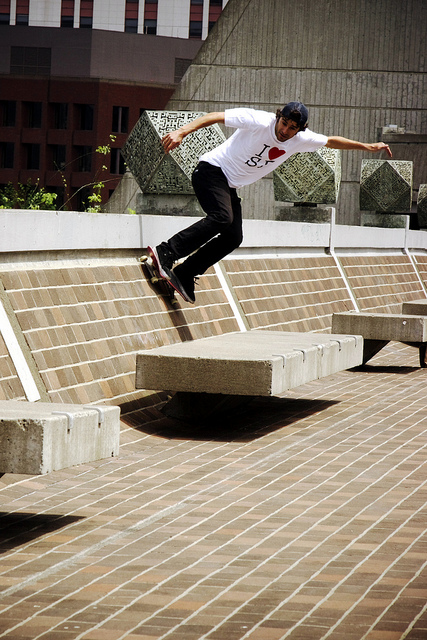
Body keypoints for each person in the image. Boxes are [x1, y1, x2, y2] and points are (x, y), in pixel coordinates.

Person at [149, 102, 392, 303]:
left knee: (233, 237)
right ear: (278, 117)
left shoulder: (301, 139)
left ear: (300, 130)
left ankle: (185, 273)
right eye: (283, 123)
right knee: (222, 217)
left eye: (292, 128)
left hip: (229, 185)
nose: (284, 131)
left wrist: (368, 147)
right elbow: (215, 116)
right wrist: (182, 132)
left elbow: (331, 141)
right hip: (211, 170)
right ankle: (166, 251)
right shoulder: (258, 120)